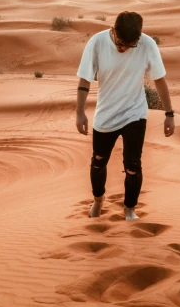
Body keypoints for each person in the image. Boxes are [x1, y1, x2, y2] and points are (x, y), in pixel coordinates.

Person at [75, 11, 174, 220]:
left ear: (138, 38)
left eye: (130, 45)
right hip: (106, 114)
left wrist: (169, 113)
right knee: (98, 162)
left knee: (132, 166)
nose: (123, 48)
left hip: (134, 113)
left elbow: (160, 80)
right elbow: (85, 79)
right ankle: (98, 200)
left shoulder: (147, 45)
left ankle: (130, 209)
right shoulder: (97, 43)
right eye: (120, 42)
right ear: (113, 31)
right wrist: (80, 112)